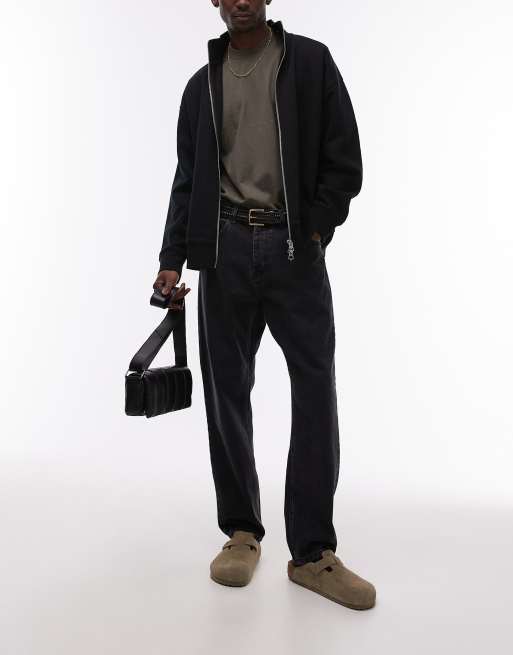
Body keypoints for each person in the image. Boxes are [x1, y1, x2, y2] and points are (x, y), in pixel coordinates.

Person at [153, 0, 376, 610]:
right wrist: (173, 258)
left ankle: (312, 553)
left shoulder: (310, 62)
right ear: (216, 1)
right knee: (226, 391)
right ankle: (242, 533)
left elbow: (345, 159)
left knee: (315, 390)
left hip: (294, 250)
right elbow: (187, 180)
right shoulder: (200, 86)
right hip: (222, 251)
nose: (241, 0)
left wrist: (316, 227)